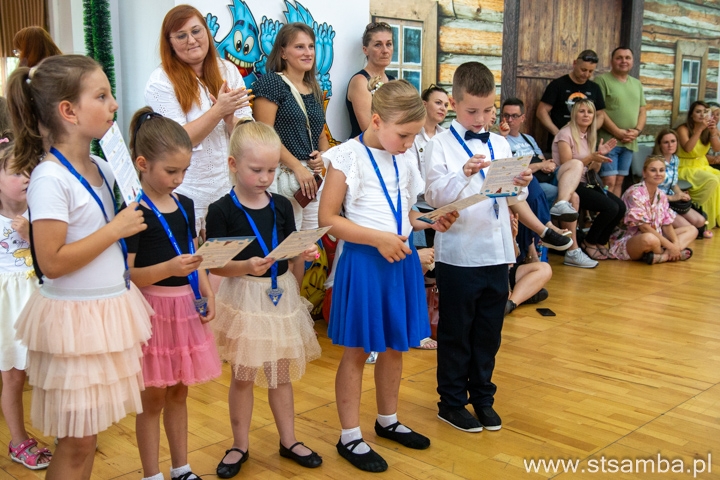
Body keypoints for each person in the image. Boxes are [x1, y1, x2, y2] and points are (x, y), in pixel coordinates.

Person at [7, 55, 152, 480]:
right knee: (76, 441)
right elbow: (51, 262)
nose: (114, 105)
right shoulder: (51, 178)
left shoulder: (102, 167)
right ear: (68, 111)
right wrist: (114, 229)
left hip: (105, 312)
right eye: (101, 96)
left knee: (88, 437)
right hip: (75, 321)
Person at [319, 78, 459, 472]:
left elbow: (406, 213)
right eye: (404, 135)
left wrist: (431, 220)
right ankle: (349, 436)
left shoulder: (404, 155)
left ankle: (388, 420)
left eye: (414, 135)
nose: (409, 143)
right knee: (357, 350)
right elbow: (327, 219)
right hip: (365, 262)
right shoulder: (346, 156)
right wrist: (377, 239)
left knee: (396, 345)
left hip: (400, 257)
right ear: (377, 120)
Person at [206, 122, 322, 478]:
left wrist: (304, 252)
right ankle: (239, 444)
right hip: (244, 296)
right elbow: (215, 266)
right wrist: (245, 265)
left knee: (280, 374)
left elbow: (290, 251)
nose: (265, 178)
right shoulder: (221, 210)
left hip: (279, 295)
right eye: (256, 170)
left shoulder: (282, 206)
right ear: (233, 164)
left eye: (272, 170)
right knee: (242, 375)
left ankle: (289, 440)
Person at [424, 61, 533, 433]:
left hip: (497, 251)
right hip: (458, 252)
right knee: (457, 333)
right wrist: (463, 173)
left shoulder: (501, 143)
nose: (481, 119)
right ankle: (451, 403)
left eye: (488, 110)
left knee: (489, 332)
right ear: (454, 104)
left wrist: (521, 183)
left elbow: (510, 196)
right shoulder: (438, 144)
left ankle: (483, 398)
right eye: (472, 111)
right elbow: (433, 197)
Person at [126, 108, 222, 480]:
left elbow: (194, 255)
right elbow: (128, 276)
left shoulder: (185, 205)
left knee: (179, 394)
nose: (179, 179)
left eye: (184, 171)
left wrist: (207, 291)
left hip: (185, 308)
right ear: (143, 164)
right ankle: (151, 474)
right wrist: (168, 268)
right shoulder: (134, 212)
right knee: (152, 399)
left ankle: (181, 467)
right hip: (151, 312)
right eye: (171, 171)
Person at [145, 4, 253, 237]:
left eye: (196, 31)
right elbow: (177, 141)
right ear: (170, 43)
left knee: (234, 256)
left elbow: (247, 133)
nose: (191, 40)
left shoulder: (228, 70)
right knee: (196, 258)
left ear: (206, 32)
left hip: (231, 189)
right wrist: (218, 111)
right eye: (181, 36)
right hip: (189, 194)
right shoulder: (161, 82)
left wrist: (230, 119)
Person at [0, 138, 50, 470]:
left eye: (30, 171)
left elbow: (50, 254)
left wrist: (31, 234)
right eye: (17, 172)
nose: (26, 179)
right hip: (7, 306)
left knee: (51, 370)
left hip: (39, 297)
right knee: (13, 377)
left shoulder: (40, 213)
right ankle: (18, 441)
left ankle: (64, 430)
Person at [253, 22, 329, 230]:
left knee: (309, 241)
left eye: (311, 46)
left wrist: (322, 157)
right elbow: (265, 136)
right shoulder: (272, 83)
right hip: (283, 174)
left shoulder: (314, 88)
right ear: (283, 52)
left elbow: (321, 135)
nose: (308, 53)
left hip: (312, 178)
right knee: (285, 241)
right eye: (299, 47)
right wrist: (297, 167)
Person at [553, 99, 624, 264]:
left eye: (590, 112)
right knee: (610, 207)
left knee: (620, 207)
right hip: (569, 184)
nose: (586, 115)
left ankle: (599, 242)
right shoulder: (565, 134)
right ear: (574, 114)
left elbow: (592, 170)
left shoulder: (588, 136)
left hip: (587, 182)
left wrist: (599, 156)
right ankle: (589, 243)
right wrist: (591, 156)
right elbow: (568, 165)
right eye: (582, 111)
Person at [608, 156, 696, 263]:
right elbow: (644, 228)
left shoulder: (661, 195)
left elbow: (666, 224)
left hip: (657, 237)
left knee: (692, 230)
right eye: (653, 170)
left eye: (661, 170)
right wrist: (671, 246)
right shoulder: (634, 193)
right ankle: (667, 255)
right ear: (644, 173)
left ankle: (663, 256)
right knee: (650, 239)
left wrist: (675, 244)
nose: (658, 174)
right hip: (629, 240)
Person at [596, 47, 647, 197]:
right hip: (609, 141)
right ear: (611, 61)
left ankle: (615, 210)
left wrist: (637, 131)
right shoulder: (602, 81)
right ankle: (603, 210)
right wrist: (617, 132)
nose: (623, 61)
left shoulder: (636, 84)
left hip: (629, 142)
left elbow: (642, 110)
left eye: (627, 58)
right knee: (608, 181)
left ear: (633, 61)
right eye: (619, 58)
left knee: (619, 181)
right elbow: (599, 111)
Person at [536, 50, 606, 151]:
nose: (586, 74)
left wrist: (590, 132)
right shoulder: (557, 85)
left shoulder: (594, 88)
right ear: (574, 63)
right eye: (583, 70)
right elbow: (541, 111)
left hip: (585, 142)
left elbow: (600, 115)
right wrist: (557, 133)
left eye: (590, 71)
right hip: (561, 142)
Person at [654, 128, 711, 238]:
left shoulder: (675, 159)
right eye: (666, 142)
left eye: (673, 141)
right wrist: (672, 198)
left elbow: (673, 184)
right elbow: (650, 191)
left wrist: (681, 194)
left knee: (700, 221)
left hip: (672, 201)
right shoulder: (655, 162)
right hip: (658, 202)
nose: (670, 145)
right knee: (689, 228)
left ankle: (670, 232)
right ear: (659, 145)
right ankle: (663, 235)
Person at [346, 22, 395, 139]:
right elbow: (369, 129)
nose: (385, 50)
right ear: (365, 50)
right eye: (378, 45)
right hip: (365, 147)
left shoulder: (393, 81)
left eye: (389, 44)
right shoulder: (360, 81)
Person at [677, 100, 720, 229]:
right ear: (691, 115)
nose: (702, 115)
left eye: (705, 112)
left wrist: (713, 132)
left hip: (702, 164)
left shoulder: (708, 129)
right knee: (712, 180)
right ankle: (696, 210)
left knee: (718, 177)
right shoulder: (683, 129)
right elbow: (688, 149)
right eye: (698, 112)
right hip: (685, 166)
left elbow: (717, 148)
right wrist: (699, 129)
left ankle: (713, 219)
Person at [505, 213, 552, 316]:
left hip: (505, 271)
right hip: (486, 273)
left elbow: (513, 258)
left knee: (545, 268)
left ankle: (511, 303)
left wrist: (512, 238)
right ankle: (520, 296)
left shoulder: (507, 216)